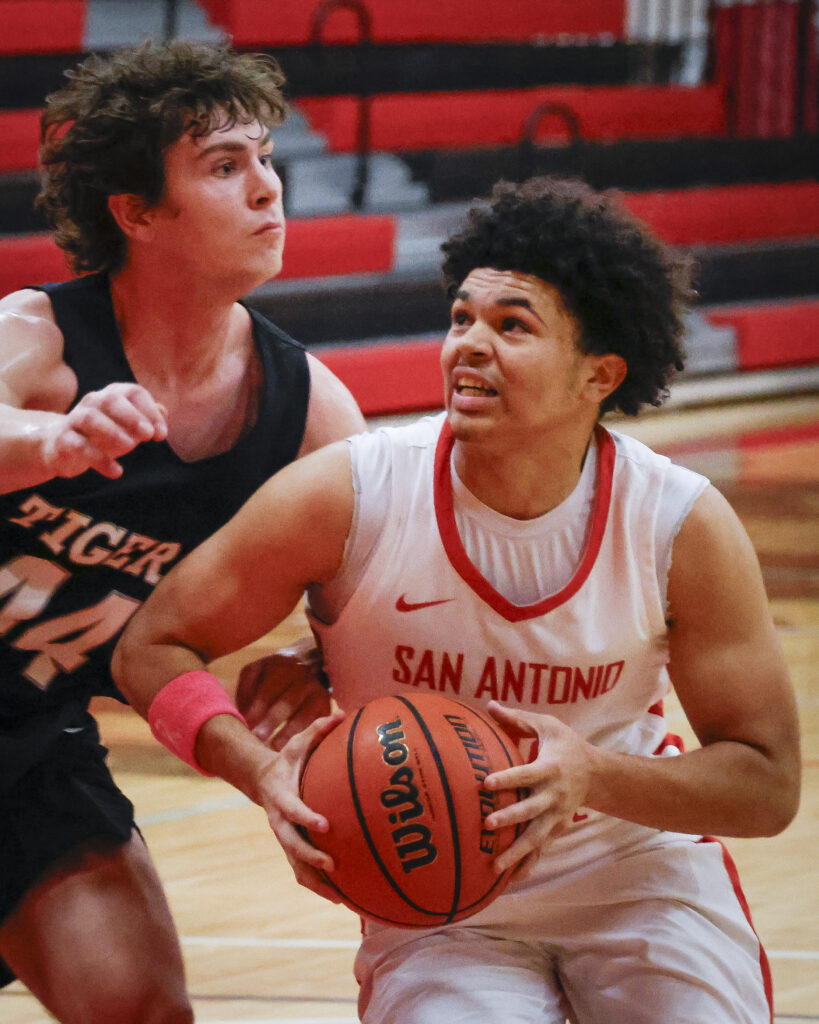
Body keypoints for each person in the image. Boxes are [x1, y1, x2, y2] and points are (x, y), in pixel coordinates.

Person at [112, 176, 801, 1024]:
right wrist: (264, 773)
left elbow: (765, 786)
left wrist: (588, 774)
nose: (468, 344)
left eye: (512, 326)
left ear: (599, 374)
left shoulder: (677, 521)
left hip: (637, 878)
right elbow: (152, 643)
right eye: (461, 319)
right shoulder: (350, 495)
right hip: (437, 908)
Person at [0, 39, 365, 1024]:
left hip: (30, 741)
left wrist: (318, 655)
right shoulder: (36, 338)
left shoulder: (308, 411)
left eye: (265, 159)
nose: (267, 190)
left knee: (143, 1011)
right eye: (223, 167)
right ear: (136, 213)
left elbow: (378, 591)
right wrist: (52, 439)